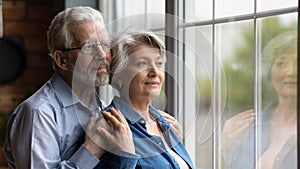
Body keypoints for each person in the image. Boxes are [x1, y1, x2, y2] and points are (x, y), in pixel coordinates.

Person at [4, 6, 138, 169]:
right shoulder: (39, 113)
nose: (102, 55)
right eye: (89, 47)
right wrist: (92, 149)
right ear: (62, 60)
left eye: (104, 44)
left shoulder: (104, 108)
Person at [98, 29, 194, 168]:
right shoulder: (108, 126)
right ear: (119, 76)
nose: (155, 72)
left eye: (159, 63)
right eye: (142, 63)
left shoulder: (166, 124)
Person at [221, 31, 297, 169]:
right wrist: (225, 149)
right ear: (270, 74)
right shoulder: (249, 126)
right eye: (281, 63)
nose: (290, 72)